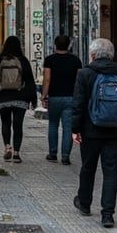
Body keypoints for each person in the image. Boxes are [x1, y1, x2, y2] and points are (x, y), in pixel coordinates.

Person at [71, 38, 117, 229]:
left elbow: (78, 104)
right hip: (115, 131)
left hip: (90, 130)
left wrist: (75, 129)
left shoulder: (85, 74)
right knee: (111, 172)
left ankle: (84, 203)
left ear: (92, 55)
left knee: (88, 167)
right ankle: (108, 214)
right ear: (112, 55)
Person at [0, 35, 38, 163]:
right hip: (21, 98)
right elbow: (30, 81)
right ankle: (16, 153)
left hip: (3, 98)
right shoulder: (23, 60)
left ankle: (7, 147)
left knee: (5, 123)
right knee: (18, 125)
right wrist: (33, 100)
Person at [42, 35, 82, 165]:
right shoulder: (75, 60)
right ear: (69, 45)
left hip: (54, 97)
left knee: (53, 124)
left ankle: (52, 153)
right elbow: (79, 81)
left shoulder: (50, 60)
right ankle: (65, 156)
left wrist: (44, 95)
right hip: (70, 97)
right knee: (68, 127)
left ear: (55, 45)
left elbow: (47, 79)